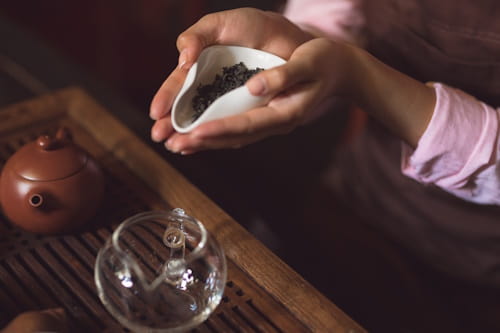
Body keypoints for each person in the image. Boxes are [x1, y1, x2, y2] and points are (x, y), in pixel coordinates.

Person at [150, 1, 500, 331]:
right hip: (363, 194)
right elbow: (338, 14)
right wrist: (298, 42)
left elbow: (348, 69)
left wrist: (360, 77)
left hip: (477, 267)